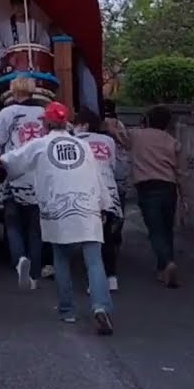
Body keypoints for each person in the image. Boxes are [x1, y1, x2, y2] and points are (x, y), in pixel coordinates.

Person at [0, 102, 115, 335]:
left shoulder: (40, 144)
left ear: (46, 123)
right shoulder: (83, 146)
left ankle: (67, 311)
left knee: (61, 258)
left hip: (58, 209)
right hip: (87, 206)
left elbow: (10, 160)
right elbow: (97, 176)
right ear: (66, 122)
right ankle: (101, 307)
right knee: (95, 262)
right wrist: (105, 206)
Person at [0, 76, 47, 289]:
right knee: (36, 228)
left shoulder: (8, 113)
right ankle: (33, 275)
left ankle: (19, 260)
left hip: (14, 174)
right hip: (39, 176)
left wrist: (0, 159)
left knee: (13, 223)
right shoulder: (44, 113)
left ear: (13, 92)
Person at [129, 105, 187, 288]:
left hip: (147, 186)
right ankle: (163, 268)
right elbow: (181, 171)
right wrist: (185, 197)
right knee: (167, 228)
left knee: (155, 229)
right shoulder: (172, 141)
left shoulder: (137, 135)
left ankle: (167, 263)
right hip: (169, 187)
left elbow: (115, 130)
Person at [73, 108, 126, 292]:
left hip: (86, 192)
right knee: (107, 238)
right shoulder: (108, 141)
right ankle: (111, 277)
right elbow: (112, 165)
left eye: (76, 123)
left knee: (90, 238)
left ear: (84, 124)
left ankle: (94, 281)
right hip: (108, 192)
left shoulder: (76, 141)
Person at [0, 0, 51, 69]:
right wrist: (8, 56)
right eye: (16, 4)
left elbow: (45, 48)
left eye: (22, 4)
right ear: (12, 6)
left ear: (27, 6)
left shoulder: (36, 26)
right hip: (12, 69)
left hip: (32, 69)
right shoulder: (4, 27)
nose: (19, 8)